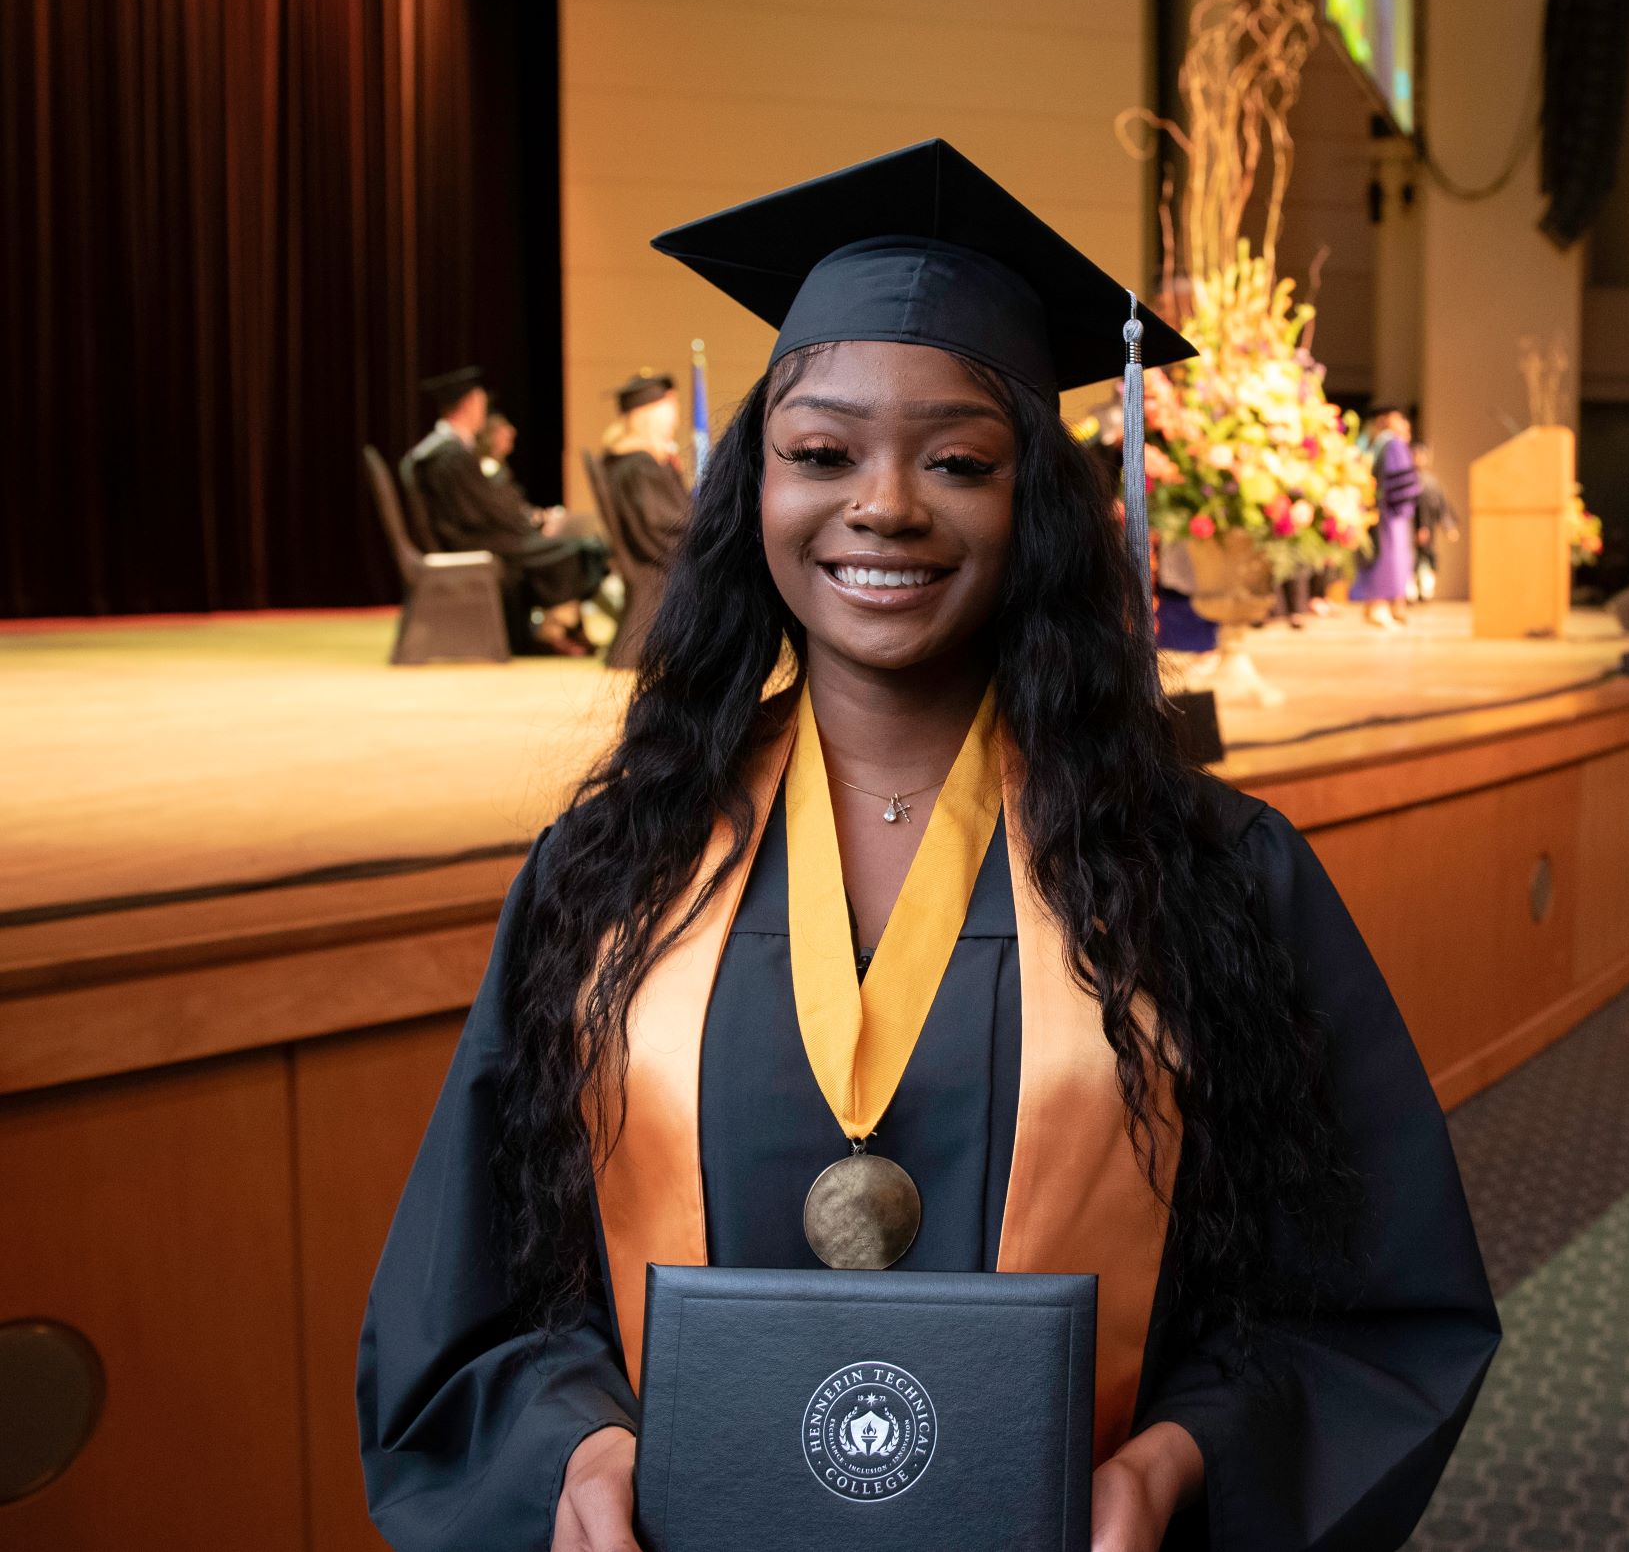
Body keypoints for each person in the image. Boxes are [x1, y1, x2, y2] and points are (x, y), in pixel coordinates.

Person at [357, 140, 1499, 1552]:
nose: (884, 503)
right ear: (751, 494)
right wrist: (574, 1448)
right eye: (821, 452)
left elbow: (1366, 1307)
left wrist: (1169, 1464)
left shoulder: (1209, 877)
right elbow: (469, 1310)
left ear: (1038, 507)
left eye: (957, 459)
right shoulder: (610, 877)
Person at [402, 367, 609, 656]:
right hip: (472, 541)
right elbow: (477, 510)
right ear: (470, 405)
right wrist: (526, 523)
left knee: (569, 549)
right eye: (481, 404)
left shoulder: (449, 450)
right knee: (572, 551)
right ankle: (555, 631)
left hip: (477, 535)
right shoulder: (448, 455)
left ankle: (548, 631)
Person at [596, 370, 693, 570]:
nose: (674, 423)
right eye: (670, 414)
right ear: (651, 418)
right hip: (661, 584)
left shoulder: (620, 462)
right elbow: (670, 529)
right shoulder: (640, 468)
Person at [1348, 407, 1420, 629]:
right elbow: (1403, 485)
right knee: (1388, 559)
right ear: (1389, 419)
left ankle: (1375, 606)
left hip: (1374, 509)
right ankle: (1379, 606)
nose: (1406, 424)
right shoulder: (1394, 444)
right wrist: (1405, 507)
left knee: (1377, 556)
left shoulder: (1372, 442)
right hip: (1391, 515)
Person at [1410, 441, 1458, 605]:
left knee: (1429, 559)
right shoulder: (1406, 482)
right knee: (1410, 560)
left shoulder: (1432, 483)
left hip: (1429, 529)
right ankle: (1410, 592)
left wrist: (1449, 527)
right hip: (1409, 530)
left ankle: (1426, 590)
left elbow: (1442, 507)